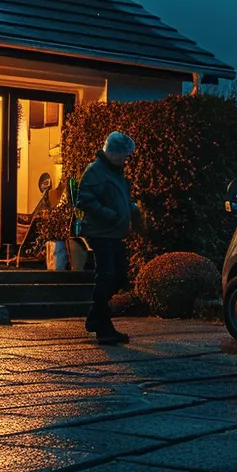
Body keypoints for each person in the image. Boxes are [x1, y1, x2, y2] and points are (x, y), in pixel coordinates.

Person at [72, 131, 140, 345]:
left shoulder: (114, 171)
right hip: (100, 232)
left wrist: (129, 210)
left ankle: (95, 318)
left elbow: (117, 197)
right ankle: (103, 326)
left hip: (113, 231)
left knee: (118, 275)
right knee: (107, 274)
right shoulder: (96, 171)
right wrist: (110, 214)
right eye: (120, 154)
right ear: (110, 152)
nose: (123, 158)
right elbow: (84, 200)